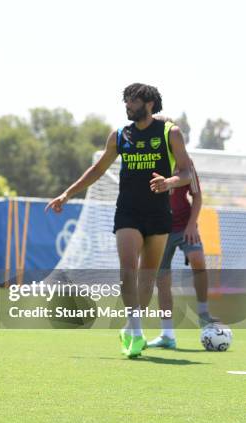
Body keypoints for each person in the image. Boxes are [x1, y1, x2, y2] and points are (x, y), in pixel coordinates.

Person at [46, 83, 191, 358]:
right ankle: (136, 331)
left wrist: (169, 182)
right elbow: (98, 169)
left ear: (148, 103)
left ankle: (131, 326)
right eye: (125, 100)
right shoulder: (120, 135)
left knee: (147, 277)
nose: (126, 105)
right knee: (128, 269)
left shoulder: (170, 132)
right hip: (128, 211)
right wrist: (67, 193)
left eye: (132, 101)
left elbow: (186, 173)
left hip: (159, 214)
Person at [148, 159, 217, 349]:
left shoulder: (186, 163)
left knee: (198, 259)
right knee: (162, 280)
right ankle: (167, 335)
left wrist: (191, 225)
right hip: (159, 229)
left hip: (184, 227)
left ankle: (203, 314)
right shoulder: (151, 160)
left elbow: (197, 196)